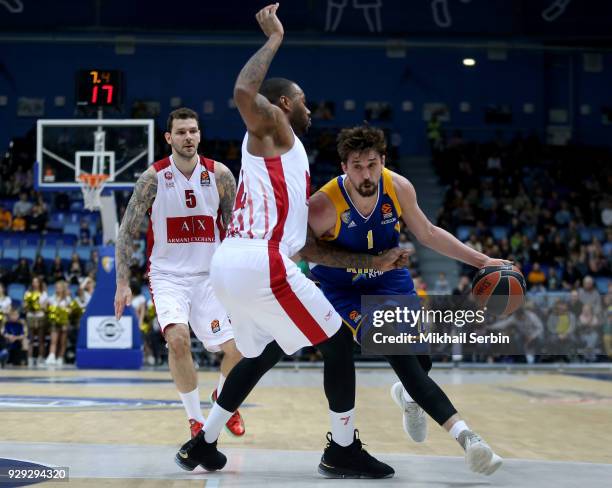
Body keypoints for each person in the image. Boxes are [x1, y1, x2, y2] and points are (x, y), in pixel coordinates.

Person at [176, 4, 405, 479]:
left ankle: (203, 442)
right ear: (282, 105)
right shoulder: (276, 130)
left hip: (239, 264)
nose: (308, 106)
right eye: (301, 100)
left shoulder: (291, 159)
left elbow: (307, 249)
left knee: (262, 352)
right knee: (340, 342)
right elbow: (243, 91)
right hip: (259, 260)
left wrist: (371, 264)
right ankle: (342, 449)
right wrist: (274, 38)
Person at [306, 125, 506, 475]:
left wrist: (483, 261)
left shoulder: (397, 187)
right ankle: (469, 439)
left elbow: (427, 233)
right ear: (343, 167)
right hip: (344, 289)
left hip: (390, 279)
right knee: (403, 356)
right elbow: (304, 251)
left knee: (421, 361)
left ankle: (409, 397)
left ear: (383, 161)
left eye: (372, 164)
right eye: (357, 165)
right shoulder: (324, 204)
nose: (366, 173)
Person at [114, 107, 246, 440]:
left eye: (193, 131)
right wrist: (121, 282)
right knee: (178, 340)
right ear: (168, 137)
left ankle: (222, 398)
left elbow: (233, 229)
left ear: (200, 134)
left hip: (210, 278)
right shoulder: (153, 178)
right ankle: (195, 420)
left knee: (239, 348)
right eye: (182, 132)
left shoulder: (220, 176)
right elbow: (127, 231)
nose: (188, 137)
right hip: (168, 276)